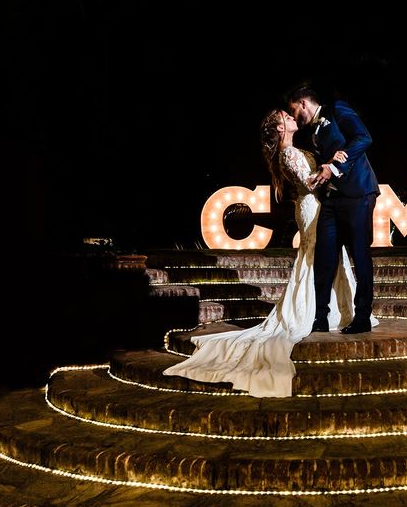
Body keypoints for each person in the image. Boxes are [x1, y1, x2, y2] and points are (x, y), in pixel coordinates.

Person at [162, 109, 377, 397]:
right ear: (279, 129)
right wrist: (331, 166)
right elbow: (310, 182)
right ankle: (318, 312)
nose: (292, 119)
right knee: (316, 258)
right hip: (312, 209)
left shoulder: (298, 147)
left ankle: (334, 311)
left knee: (329, 259)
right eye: (286, 118)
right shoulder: (288, 153)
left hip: (317, 208)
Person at [287, 86, 380, 335]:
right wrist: (324, 168)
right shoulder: (309, 133)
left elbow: (364, 137)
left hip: (357, 193)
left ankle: (362, 317)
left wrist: (338, 163)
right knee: (325, 256)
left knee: (359, 254)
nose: (294, 115)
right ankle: (320, 317)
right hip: (330, 198)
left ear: (303, 103)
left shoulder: (337, 109)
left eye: (293, 110)